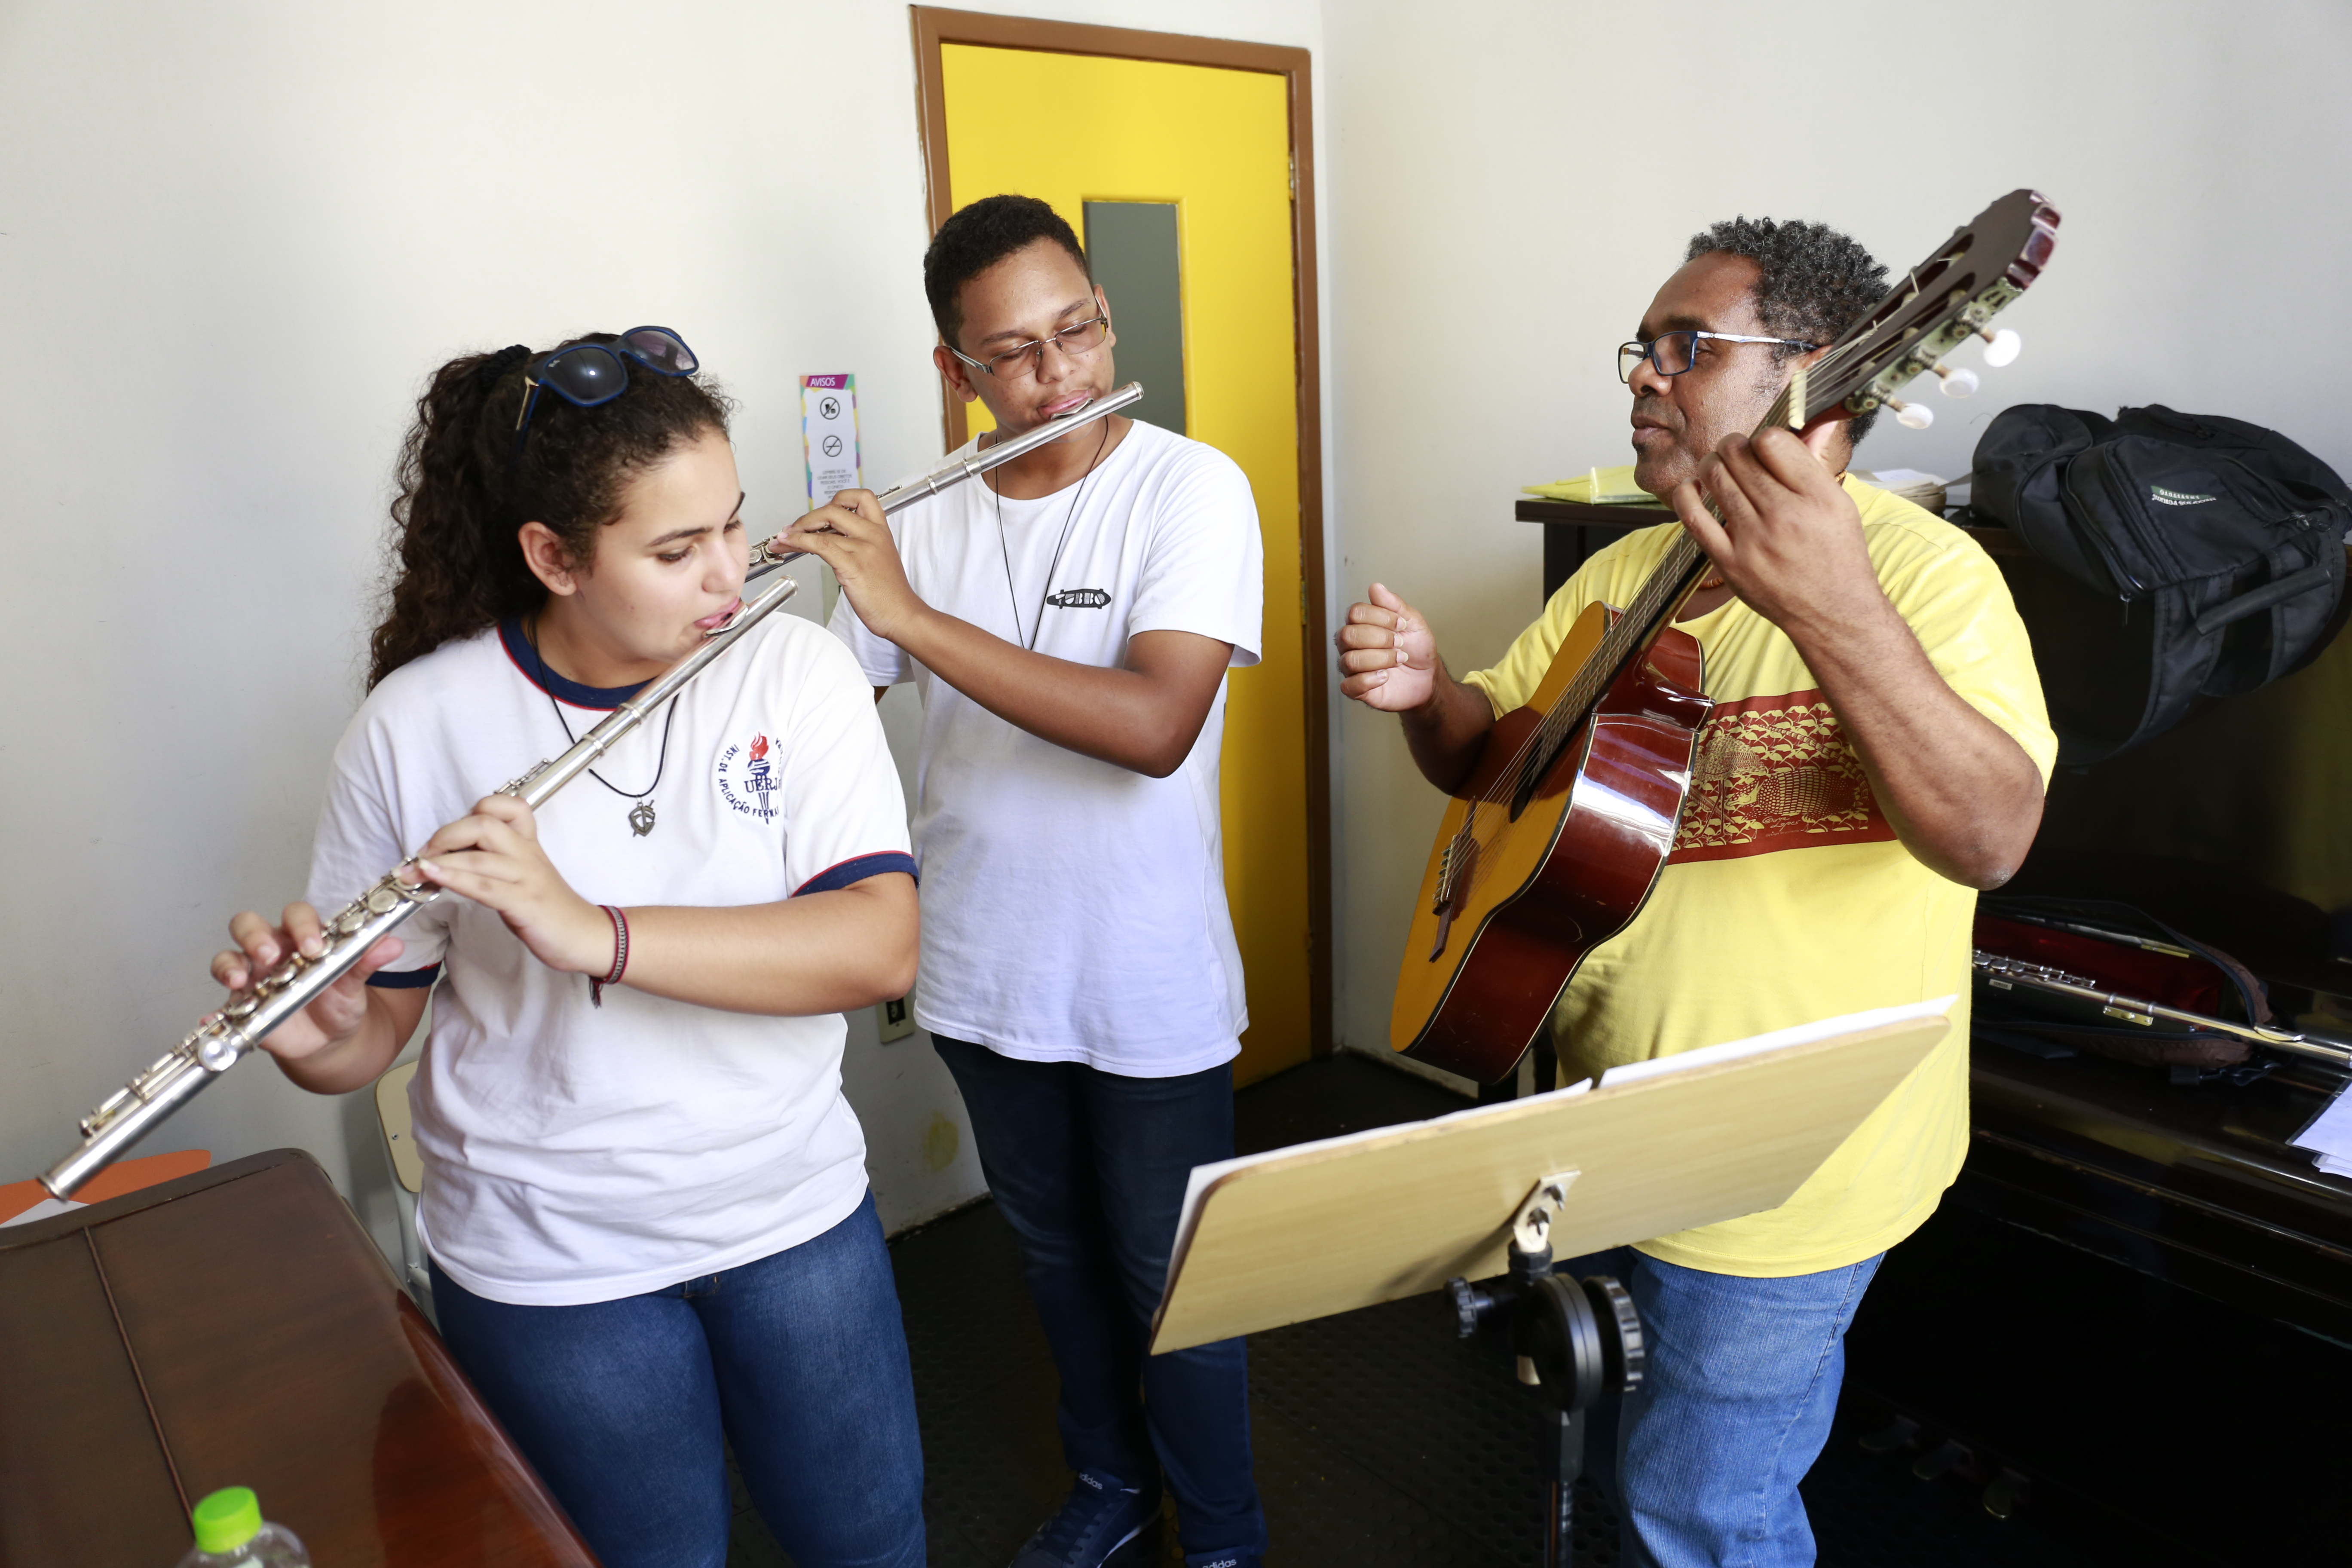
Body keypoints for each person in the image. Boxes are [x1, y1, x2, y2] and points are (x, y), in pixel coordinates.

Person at [1335, 219, 2057, 1568]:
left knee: (1705, 1515)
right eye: (1642, 349)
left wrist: (1834, 604)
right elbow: (1495, 761)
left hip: (1781, 1175)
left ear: (1816, 371)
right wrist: (1430, 694)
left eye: (1688, 350)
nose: (1643, 379)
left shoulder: (1928, 578)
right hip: (1594, 1135)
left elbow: (1991, 839)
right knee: (1632, 1464)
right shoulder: (1621, 573)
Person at [208, 329, 926, 1568]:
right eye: (675, 550)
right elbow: (373, 1029)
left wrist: (593, 932)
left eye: (731, 528)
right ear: (553, 556)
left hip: (793, 1214)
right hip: (552, 1264)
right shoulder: (417, 724)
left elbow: (876, 949)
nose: (731, 575)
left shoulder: (794, 673)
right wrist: (316, 1037)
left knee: (870, 1546)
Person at [775, 195, 1267, 1568]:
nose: (1064, 377)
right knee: (1053, 1265)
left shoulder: (1189, 487)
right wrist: (717, 594)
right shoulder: (915, 523)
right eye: (1021, 355)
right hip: (986, 974)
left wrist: (913, 620)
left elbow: (1154, 728)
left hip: (1149, 972)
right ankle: (1112, 1486)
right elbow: (817, 720)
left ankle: (1224, 1535)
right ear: (960, 371)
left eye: (1083, 331)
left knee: (1173, 1281)